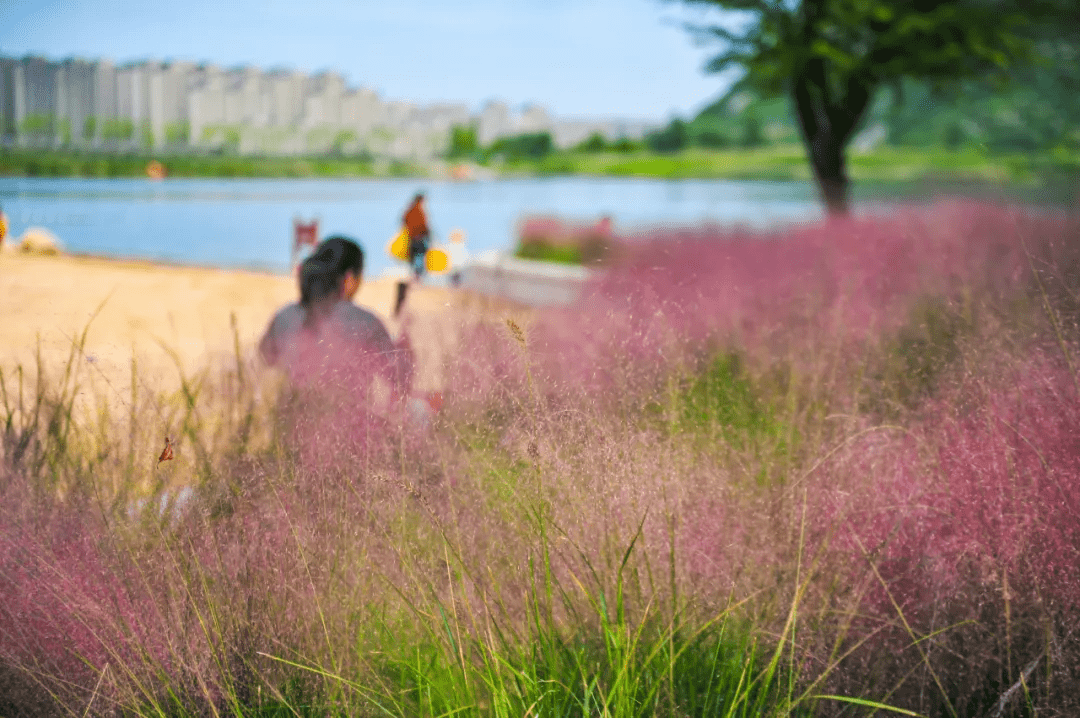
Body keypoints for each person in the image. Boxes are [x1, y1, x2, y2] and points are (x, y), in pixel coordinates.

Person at [260, 236, 415, 455]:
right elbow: (401, 378)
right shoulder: (365, 322)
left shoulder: (285, 315)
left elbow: (266, 357)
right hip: (349, 443)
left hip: (287, 437)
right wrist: (405, 349)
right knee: (420, 413)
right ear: (350, 278)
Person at [395, 192, 431, 317]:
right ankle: (417, 279)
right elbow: (424, 227)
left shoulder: (409, 210)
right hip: (419, 238)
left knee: (414, 259)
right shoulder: (419, 211)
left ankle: (414, 278)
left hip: (412, 239)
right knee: (420, 259)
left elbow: (403, 222)